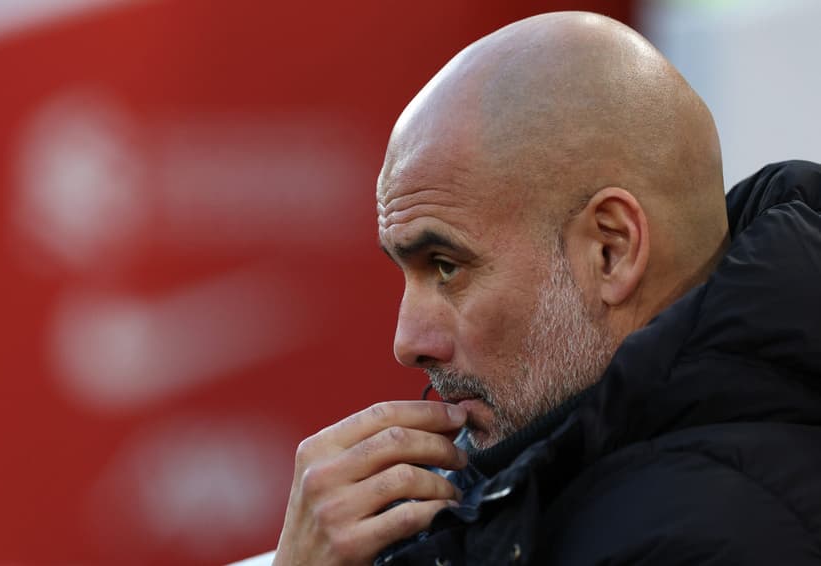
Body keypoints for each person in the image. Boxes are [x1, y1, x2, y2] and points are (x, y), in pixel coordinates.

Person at [272, 11, 821, 565]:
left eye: (445, 266)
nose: (407, 341)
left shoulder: (721, 536)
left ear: (611, 251)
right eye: (404, 271)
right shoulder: (539, 474)